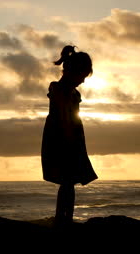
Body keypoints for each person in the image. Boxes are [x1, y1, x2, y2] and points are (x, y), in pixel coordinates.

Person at [41, 45, 98, 227]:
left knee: (70, 181)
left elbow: (73, 116)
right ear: (72, 71)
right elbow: (64, 115)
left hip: (73, 135)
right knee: (66, 181)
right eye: (82, 76)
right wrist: (69, 138)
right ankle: (61, 219)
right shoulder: (58, 88)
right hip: (61, 137)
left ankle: (67, 218)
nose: (82, 81)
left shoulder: (75, 93)